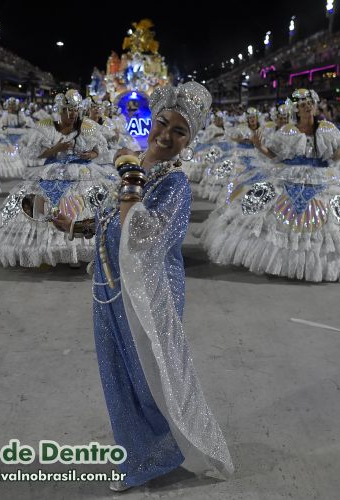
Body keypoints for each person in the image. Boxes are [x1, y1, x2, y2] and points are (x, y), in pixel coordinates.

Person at [52, 81, 234, 491]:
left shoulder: (175, 185)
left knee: (150, 374)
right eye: (163, 123)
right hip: (109, 285)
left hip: (150, 295)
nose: (166, 136)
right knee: (117, 374)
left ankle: (153, 456)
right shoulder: (139, 167)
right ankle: (143, 453)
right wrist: (76, 226)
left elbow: (146, 239)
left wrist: (130, 173)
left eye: (180, 131)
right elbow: (113, 218)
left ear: (191, 140)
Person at [201, 89, 340, 282]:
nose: (307, 107)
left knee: (334, 217)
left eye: (309, 103)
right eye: (303, 104)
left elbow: (334, 156)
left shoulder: (327, 129)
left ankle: (318, 265)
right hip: (289, 174)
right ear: (296, 109)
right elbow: (274, 155)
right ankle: (280, 261)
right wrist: (259, 146)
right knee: (267, 210)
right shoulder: (288, 131)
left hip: (321, 176)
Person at [0, 89, 116, 267]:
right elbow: (32, 153)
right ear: (60, 111)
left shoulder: (87, 127)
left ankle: (77, 249)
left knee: (85, 205)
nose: (72, 115)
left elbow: (100, 148)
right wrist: (55, 149)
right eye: (68, 111)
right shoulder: (45, 127)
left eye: (75, 111)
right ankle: (49, 248)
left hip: (83, 171)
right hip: (52, 169)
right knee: (42, 206)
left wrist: (90, 154)